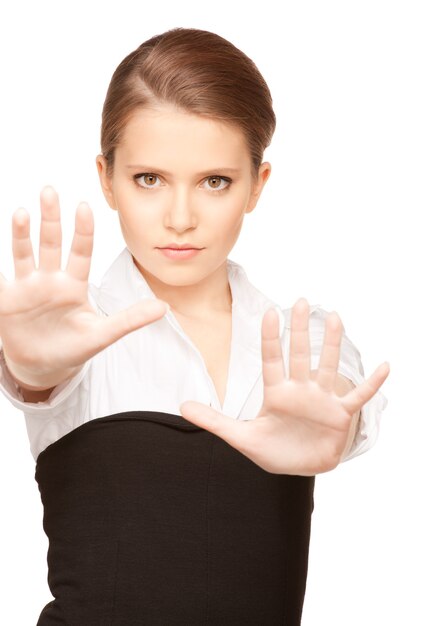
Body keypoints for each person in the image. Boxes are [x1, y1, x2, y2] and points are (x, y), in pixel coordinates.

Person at [0, 27, 389, 625]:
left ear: (257, 185)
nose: (180, 219)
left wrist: (332, 421)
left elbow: (339, 393)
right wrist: (28, 366)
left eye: (215, 181)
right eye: (148, 179)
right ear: (106, 178)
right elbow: (38, 375)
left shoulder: (297, 338)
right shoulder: (76, 328)